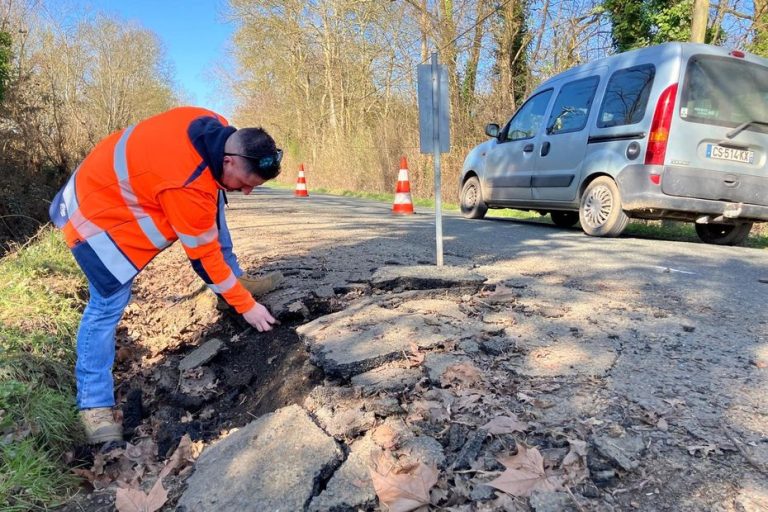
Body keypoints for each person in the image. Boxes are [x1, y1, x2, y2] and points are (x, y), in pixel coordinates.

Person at [49, 106, 283, 444]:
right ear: (230, 160)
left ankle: (233, 282)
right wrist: (246, 307)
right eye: (246, 184)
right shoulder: (186, 185)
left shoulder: (212, 123)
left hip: (106, 182)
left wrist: (233, 289)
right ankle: (93, 405)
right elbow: (204, 258)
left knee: (214, 189)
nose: (246, 192)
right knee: (106, 306)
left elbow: (209, 195)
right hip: (93, 220)